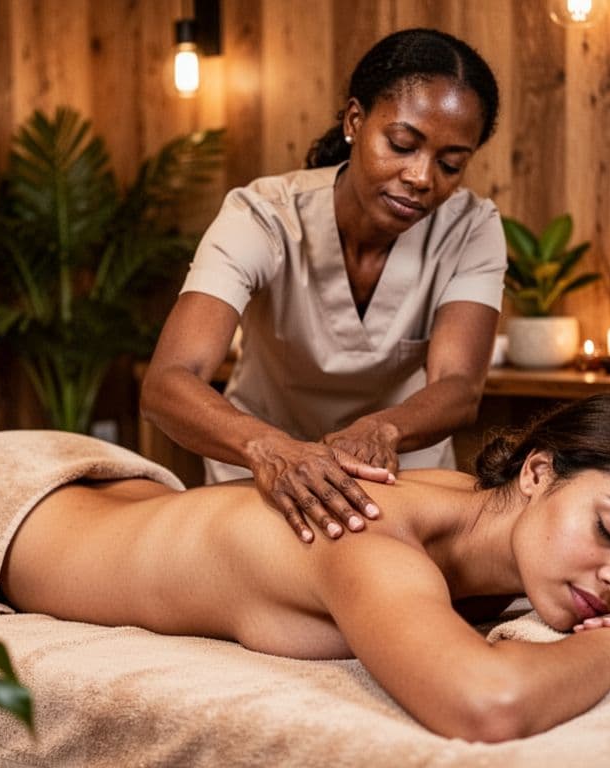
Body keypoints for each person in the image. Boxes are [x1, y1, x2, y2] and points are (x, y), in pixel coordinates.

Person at [0, 392, 610, 742]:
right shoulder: (366, 531)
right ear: (540, 472)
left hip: (135, 505)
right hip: (13, 511)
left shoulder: (514, 528)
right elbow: (487, 702)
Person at [139, 28, 508, 544]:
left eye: (451, 164)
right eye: (402, 145)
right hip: (258, 470)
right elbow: (168, 382)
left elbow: (459, 387)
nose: (422, 177)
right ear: (355, 121)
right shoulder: (263, 215)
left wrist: (384, 430)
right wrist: (270, 449)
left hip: (401, 471)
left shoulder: (471, 227)